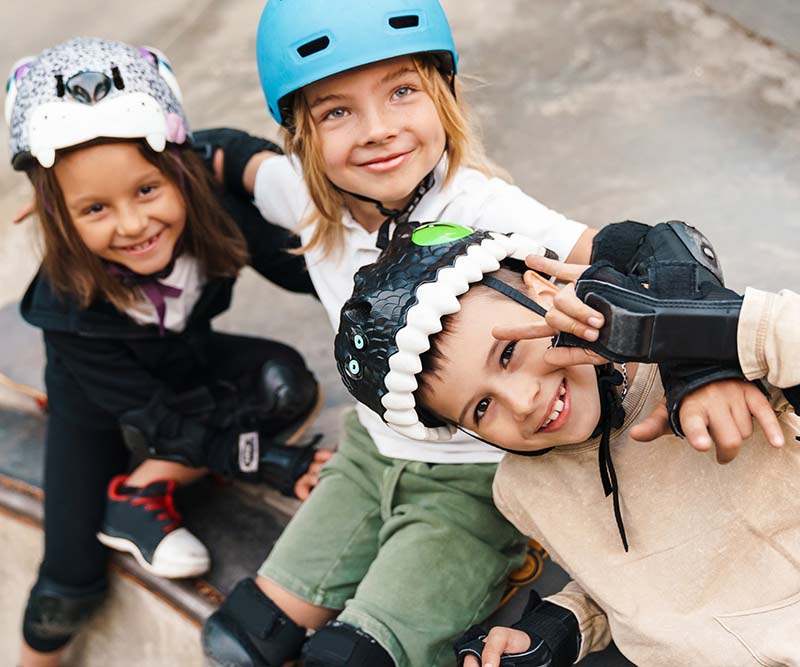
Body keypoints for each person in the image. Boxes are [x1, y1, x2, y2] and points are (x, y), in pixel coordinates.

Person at [200, 2, 770, 666]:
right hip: (370, 454)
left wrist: (700, 365)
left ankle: (508, 551)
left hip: (477, 477)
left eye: (402, 91)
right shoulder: (304, 198)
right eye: (336, 112)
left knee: (346, 659)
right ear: (299, 133)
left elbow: (656, 249)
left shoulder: (481, 208)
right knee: (245, 635)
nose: (378, 130)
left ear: (443, 93)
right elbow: (226, 155)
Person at [333, 220, 798, 666]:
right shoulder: (523, 490)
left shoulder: (726, 360)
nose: (522, 402)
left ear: (543, 290)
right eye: (480, 408)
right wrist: (560, 628)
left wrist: (704, 345)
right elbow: (632, 582)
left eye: (508, 354)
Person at [5, 38, 330, 667]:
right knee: (69, 584)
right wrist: (278, 464)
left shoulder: (214, 211)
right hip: (104, 413)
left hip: (188, 363)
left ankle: (144, 487)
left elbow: (310, 267)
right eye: (94, 208)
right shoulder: (65, 310)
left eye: (147, 191)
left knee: (287, 384)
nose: (131, 225)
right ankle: (34, 655)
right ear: (56, 215)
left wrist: (259, 168)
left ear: (181, 171)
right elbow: (165, 423)